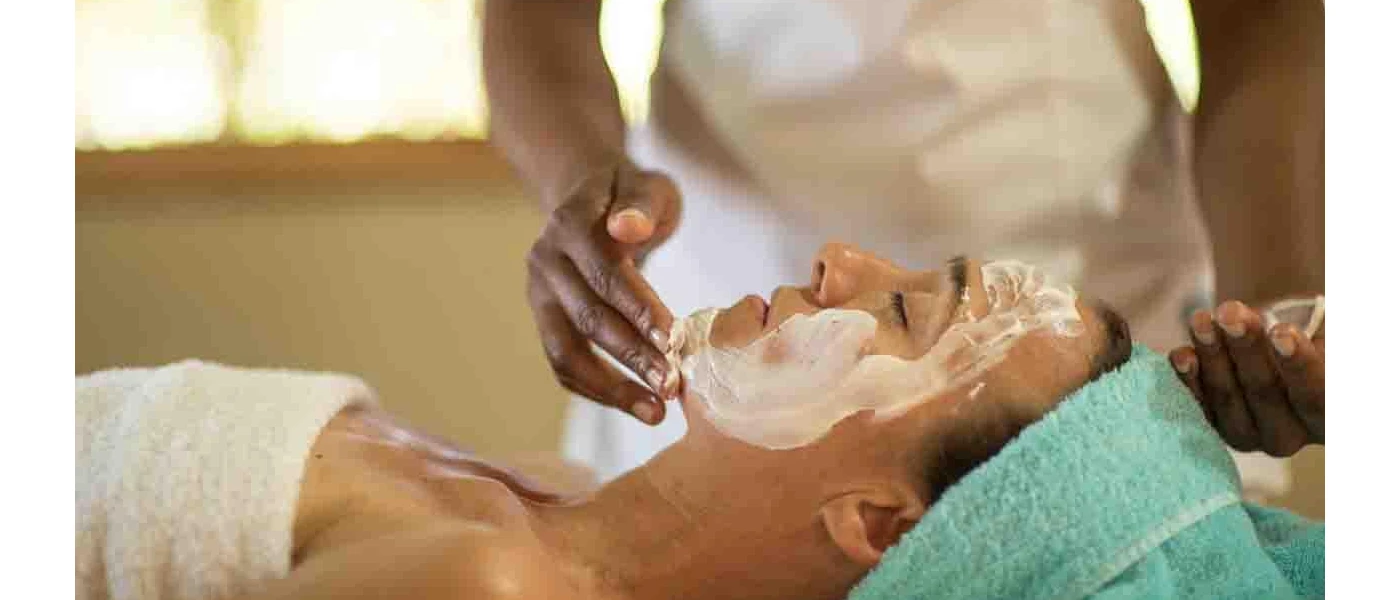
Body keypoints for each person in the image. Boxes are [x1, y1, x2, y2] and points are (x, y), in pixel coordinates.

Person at [77, 246, 1324, 600]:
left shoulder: (489, 581)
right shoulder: (540, 491)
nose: (837, 260)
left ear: (878, 526)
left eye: (899, 311)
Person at [482, 0, 1325, 486]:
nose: (837, 263)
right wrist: (583, 181)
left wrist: (1279, 288)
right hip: (714, 249)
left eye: (913, 304)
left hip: (1100, 280)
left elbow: (1265, 16)